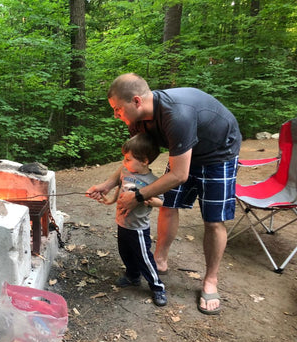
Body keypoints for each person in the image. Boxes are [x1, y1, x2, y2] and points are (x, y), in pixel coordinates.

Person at [87, 73, 242, 315]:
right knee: (169, 206)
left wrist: (138, 196)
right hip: (183, 154)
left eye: (117, 109)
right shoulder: (138, 121)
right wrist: (109, 184)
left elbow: (179, 175)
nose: (115, 114)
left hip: (218, 154)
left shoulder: (175, 116)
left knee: (213, 221)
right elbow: (132, 160)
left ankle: (210, 280)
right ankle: (160, 259)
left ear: (136, 101)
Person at [92, 133, 167, 306]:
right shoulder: (126, 171)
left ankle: (157, 287)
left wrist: (149, 199)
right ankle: (133, 276)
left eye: (128, 159)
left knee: (144, 258)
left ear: (145, 161)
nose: (124, 163)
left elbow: (161, 201)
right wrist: (111, 199)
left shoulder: (152, 181)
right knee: (125, 252)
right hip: (122, 223)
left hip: (138, 228)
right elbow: (121, 186)